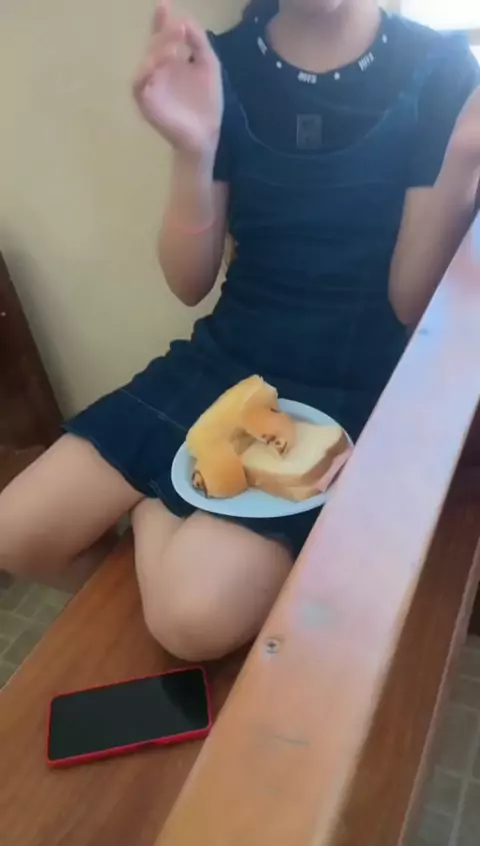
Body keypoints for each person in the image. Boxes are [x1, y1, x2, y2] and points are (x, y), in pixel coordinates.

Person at [1, 0, 480, 662]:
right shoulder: (221, 63)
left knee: (191, 617)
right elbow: (189, 281)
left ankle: (155, 511)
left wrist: (464, 159)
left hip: (346, 383)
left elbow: (408, 305)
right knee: (16, 533)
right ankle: (166, 555)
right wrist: (192, 151)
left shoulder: (441, 68)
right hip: (229, 358)